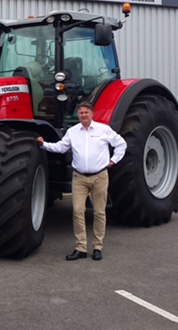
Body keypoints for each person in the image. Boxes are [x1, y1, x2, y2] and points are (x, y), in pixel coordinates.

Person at [37, 102, 126, 261]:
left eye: (86, 112)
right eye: (81, 113)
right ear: (78, 115)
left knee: (99, 212)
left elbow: (121, 144)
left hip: (100, 176)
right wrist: (43, 145)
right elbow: (60, 147)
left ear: (92, 114)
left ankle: (97, 247)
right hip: (79, 178)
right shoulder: (72, 132)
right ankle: (81, 248)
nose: (83, 115)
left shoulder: (103, 130)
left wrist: (113, 160)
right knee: (78, 211)